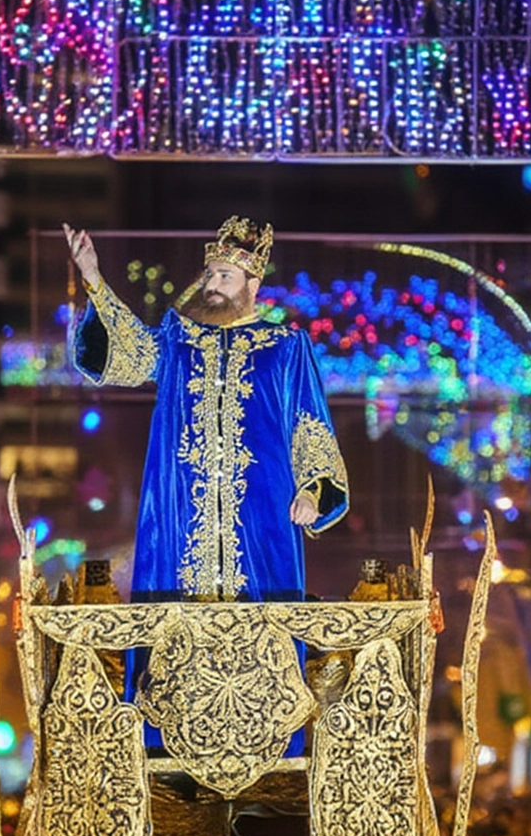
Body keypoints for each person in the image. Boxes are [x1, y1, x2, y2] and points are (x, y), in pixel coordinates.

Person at [65, 216, 349, 605]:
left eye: (225, 277)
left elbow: (310, 424)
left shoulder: (285, 346)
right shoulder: (179, 340)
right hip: (180, 511)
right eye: (210, 275)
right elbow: (128, 353)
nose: (212, 286)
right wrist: (93, 277)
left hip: (261, 514)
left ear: (253, 285)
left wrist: (313, 493)